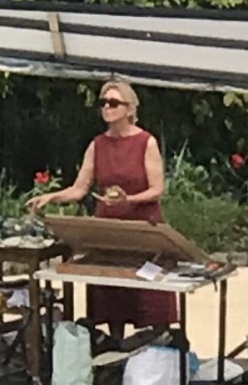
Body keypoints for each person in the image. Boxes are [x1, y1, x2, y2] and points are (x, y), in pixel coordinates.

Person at [25, 80, 177, 342]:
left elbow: (157, 189)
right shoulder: (97, 144)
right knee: (112, 294)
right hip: (109, 229)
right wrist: (50, 196)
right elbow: (79, 188)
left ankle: (157, 352)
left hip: (143, 228)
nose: (107, 107)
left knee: (150, 297)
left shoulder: (145, 142)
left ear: (129, 109)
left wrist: (129, 200)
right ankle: (114, 353)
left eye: (114, 103)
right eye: (104, 103)